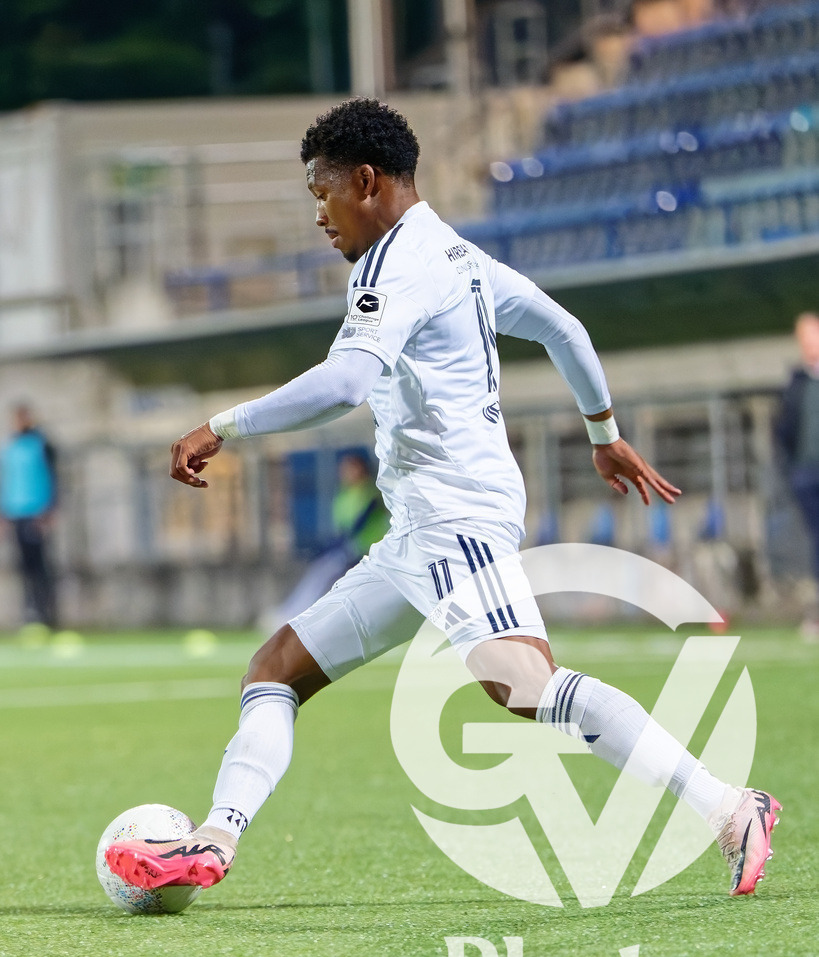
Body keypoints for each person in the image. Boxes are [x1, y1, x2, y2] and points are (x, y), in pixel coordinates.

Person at [106, 98, 780, 898]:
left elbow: (348, 382)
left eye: (321, 194)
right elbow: (565, 329)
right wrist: (601, 431)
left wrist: (223, 424)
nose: (319, 216)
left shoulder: (399, 265)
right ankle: (215, 840)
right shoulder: (459, 256)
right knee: (276, 668)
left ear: (365, 181)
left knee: (520, 685)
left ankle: (728, 807)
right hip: (421, 527)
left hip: (456, 514)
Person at [263, 451, 389, 628]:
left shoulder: (371, 492)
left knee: (325, 574)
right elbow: (342, 529)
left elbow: (360, 524)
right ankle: (294, 612)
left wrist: (338, 546)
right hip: (349, 550)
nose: (345, 472)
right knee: (321, 574)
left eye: (350, 467)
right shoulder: (343, 495)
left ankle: (294, 615)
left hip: (368, 551)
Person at [775, 311, 819, 638]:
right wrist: (793, 470)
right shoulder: (796, 383)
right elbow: (783, 431)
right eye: (803, 335)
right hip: (807, 475)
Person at [0, 404, 59, 628]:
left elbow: (53, 478)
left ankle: (47, 615)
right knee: (23, 566)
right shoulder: (10, 446)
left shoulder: (42, 444)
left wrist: (50, 511)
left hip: (37, 512)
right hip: (16, 512)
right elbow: (7, 481)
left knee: (40, 565)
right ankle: (31, 613)